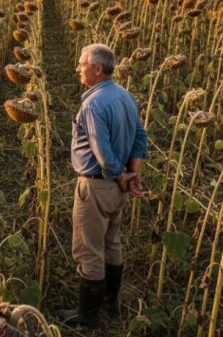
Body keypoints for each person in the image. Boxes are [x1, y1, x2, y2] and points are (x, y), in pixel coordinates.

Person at [56, 43, 148, 329]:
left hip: (97, 185)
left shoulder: (94, 104)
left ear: (97, 68)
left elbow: (102, 152)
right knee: (112, 243)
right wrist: (132, 174)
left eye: (82, 64)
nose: (78, 68)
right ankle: (110, 302)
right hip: (117, 188)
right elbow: (140, 137)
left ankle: (88, 316)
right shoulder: (125, 96)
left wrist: (120, 174)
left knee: (88, 250)